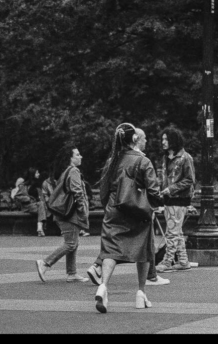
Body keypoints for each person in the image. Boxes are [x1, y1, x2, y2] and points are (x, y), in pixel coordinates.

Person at [93, 124, 165, 313]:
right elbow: (153, 190)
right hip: (138, 212)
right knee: (143, 250)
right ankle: (140, 293)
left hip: (114, 209)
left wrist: (108, 206)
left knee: (110, 250)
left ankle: (103, 286)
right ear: (135, 139)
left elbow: (103, 190)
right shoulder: (143, 161)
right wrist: (156, 204)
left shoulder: (112, 161)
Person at [35, 147, 89, 283]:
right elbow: (78, 192)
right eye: (77, 154)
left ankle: (72, 273)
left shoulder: (66, 172)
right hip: (69, 214)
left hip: (64, 213)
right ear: (70, 158)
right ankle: (45, 263)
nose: (80, 156)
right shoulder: (74, 171)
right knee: (70, 243)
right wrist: (83, 211)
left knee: (73, 243)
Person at [156, 127, 196, 272]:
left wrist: (171, 189)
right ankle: (183, 260)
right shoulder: (166, 157)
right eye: (163, 139)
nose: (163, 142)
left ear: (174, 140)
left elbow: (190, 179)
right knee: (176, 231)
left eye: (166, 139)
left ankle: (167, 261)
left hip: (179, 199)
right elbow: (164, 178)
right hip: (169, 198)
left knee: (172, 232)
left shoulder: (185, 158)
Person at [16, 167, 45, 236]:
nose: (39, 174)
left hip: (36, 205)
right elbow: (17, 196)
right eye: (37, 173)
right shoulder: (24, 185)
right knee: (42, 207)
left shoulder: (38, 184)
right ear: (32, 174)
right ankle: (40, 227)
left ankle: (40, 228)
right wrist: (27, 198)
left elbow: (40, 197)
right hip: (27, 206)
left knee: (41, 204)